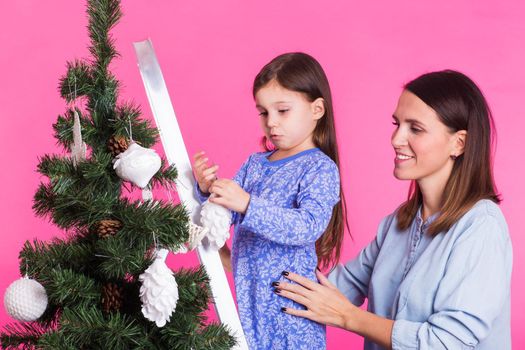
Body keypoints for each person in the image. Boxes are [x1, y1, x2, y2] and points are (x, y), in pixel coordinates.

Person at [274, 70, 513, 349]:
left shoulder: (481, 227)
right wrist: (231, 254)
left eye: (416, 128)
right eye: (397, 124)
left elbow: (448, 342)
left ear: (458, 143)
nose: (396, 139)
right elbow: (327, 291)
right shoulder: (398, 224)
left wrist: (348, 317)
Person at [192, 52, 347, 349]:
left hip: (290, 312)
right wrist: (207, 188)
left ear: (317, 110)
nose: (271, 123)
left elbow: (307, 226)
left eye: (283, 111)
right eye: (263, 113)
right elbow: (227, 214)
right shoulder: (255, 164)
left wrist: (249, 204)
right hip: (250, 300)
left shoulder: (319, 168)